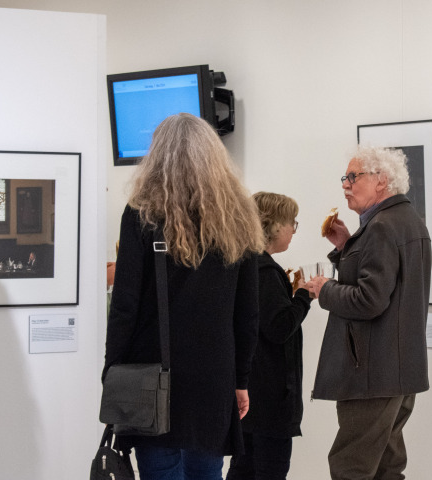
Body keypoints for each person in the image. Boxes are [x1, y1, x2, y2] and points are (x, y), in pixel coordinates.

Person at [103, 113, 265, 480]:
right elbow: (247, 313)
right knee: (206, 472)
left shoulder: (141, 214)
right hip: (213, 377)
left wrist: (112, 368)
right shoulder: (238, 217)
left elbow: (125, 304)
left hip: (153, 375)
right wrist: (240, 379)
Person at [306, 145, 432, 480]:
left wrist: (324, 289)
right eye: (344, 178)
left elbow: (369, 300)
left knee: (351, 467)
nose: (345, 184)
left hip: (371, 373)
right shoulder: (408, 220)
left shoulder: (381, 226)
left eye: (353, 176)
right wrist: (347, 247)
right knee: (387, 467)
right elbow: (389, 286)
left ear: (382, 181)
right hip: (399, 371)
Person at [226, 192, 313, 480]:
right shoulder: (265, 271)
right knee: (268, 471)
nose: (293, 230)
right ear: (274, 225)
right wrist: (303, 295)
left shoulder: (242, 263)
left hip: (249, 393)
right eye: (292, 223)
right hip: (270, 399)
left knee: (243, 469)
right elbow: (279, 327)